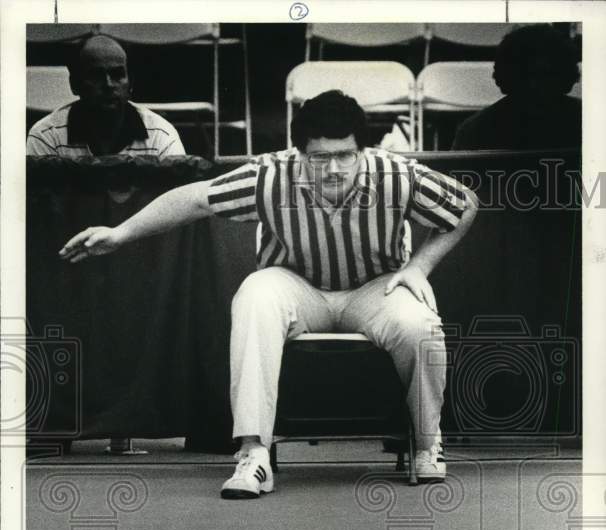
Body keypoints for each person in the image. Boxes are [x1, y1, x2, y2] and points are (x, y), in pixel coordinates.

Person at [59, 89, 478, 499]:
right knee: (255, 293)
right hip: (296, 288)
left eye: (345, 156)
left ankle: (427, 443)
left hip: (375, 288)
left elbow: (465, 204)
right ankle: (253, 454)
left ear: (362, 152)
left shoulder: (395, 175)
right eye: (319, 158)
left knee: (419, 322)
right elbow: (195, 199)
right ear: (299, 154)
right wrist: (121, 232)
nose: (333, 169)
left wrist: (418, 268)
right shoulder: (270, 175)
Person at [27, 33, 185, 158]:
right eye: (96, 75)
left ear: (131, 84)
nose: (108, 84)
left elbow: (178, 198)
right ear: (75, 84)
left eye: (117, 75)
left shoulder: (161, 135)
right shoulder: (46, 137)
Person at [452, 24, 581, 151]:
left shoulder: (588, 120)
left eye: (545, 76)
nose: (534, 86)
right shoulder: (475, 131)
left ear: (565, 76)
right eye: (525, 76)